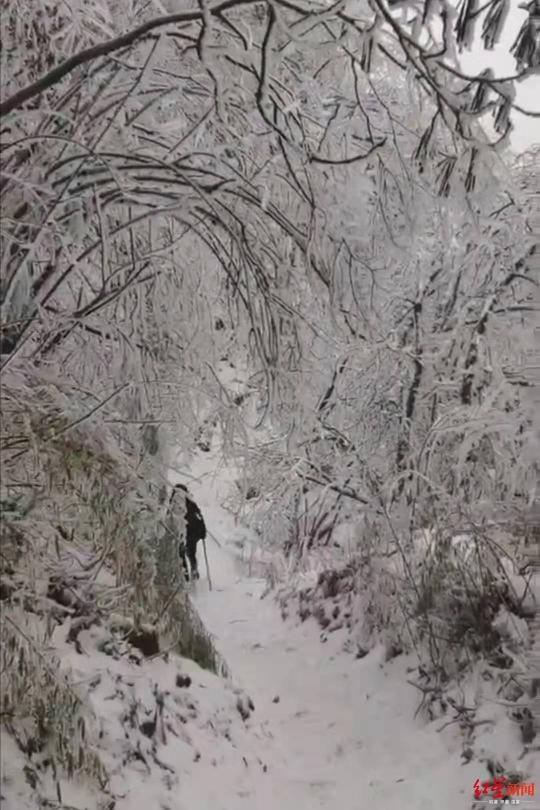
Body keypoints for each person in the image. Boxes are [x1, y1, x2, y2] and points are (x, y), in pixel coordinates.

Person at [168, 483, 206, 581]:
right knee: (191, 554)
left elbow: (170, 518)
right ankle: (194, 572)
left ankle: (185, 578)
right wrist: (202, 532)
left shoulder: (174, 503)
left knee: (181, 555)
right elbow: (200, 518)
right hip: (194, 533)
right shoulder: (192, 503)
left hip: (183, 533)